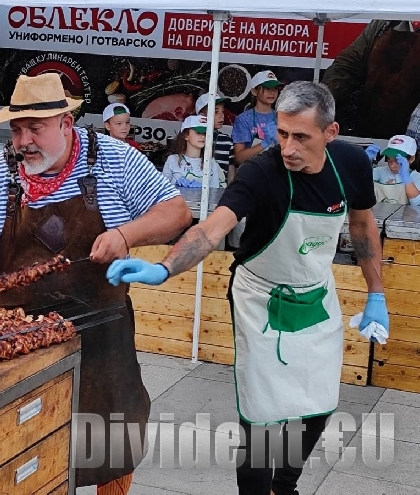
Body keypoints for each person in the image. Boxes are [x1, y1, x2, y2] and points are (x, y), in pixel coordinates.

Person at [0, 73, 192, 493]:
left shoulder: (113, 159)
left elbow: (177, 212)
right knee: (19, 451)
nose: (24, 140)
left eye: (35, 128)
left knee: (110, 443)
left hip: (99, 334)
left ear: (66, 125)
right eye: (17, 130)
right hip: (13, 340)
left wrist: (127, 235)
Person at [106, 81, 388, 495]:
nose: (288, 147)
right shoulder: (262, 173)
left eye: (301, 137)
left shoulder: (350, 164)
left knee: (318, 406)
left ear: (330, 133)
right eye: (282, 132)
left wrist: (376, 293)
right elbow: (211, 228)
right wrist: (164, 269)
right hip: (259, 296)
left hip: (314, 293)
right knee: (262, 416)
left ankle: (284, 486)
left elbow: (363, 226)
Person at [322, 20, 420, 139]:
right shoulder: (383, 23)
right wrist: (321, 103)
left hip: (412, 141)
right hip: (370, 133)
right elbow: (346, 67)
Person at [233, 70, 281, 165]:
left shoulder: (281, 118)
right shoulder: (243, 119)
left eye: (275, 88)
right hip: (251, 173)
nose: (272, 92)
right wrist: (265, 143)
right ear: (254, 91)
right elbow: (239, 158)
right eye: (267, 88)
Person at [161, 115, 224, 189]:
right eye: (198, 132)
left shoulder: (211, 162)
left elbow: (215, 192)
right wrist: (175, 186)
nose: (203, 136)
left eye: (206, 133)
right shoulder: (172, 160)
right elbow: (162, 189)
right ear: (186, 135)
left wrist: (202, 190)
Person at [366, 135, 420, 205]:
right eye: (389, 159)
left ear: (412, 159)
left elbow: (416, 203)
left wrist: (406, 178)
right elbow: (358, 184)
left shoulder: (416, 177)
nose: (392, 166)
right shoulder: (380, 172)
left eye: (397, 160)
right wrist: (363, 162)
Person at [195, 92, 236, 182]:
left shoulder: (227, 141)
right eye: (216, 112)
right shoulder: (193, 139)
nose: (222, 116)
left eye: (222, 111)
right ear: (202, 115)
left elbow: (231, 175)